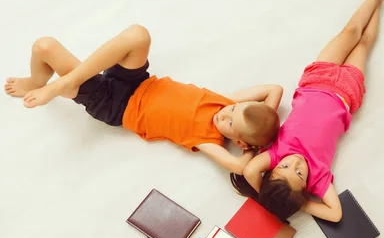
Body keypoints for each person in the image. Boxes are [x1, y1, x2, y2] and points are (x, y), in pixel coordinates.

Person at [4, 25, 282, 174]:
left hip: (115, 106)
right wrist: (262, 121)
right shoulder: (222, 102)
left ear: (238, 141)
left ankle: (62, 84)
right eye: (234, 109)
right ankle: (60, 83)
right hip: (135, 81)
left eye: (230, 123)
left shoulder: (206, 138)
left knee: (45, 46)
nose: (225, 115)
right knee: (138, 34)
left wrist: (254, 148)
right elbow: (274, 89)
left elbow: (239, 166)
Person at [231, 0, 384, 221]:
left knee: (350, 32)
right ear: (307, 188)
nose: (294, 163)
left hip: (317, 80)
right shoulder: (318, 177)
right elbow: (335, 214)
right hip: (346, 93)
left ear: (273, 168)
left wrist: (269, 195)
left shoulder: (277, 153)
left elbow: (251, 169)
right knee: (363, 44)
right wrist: (301, 203)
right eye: (299, 174)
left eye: (284, 168)